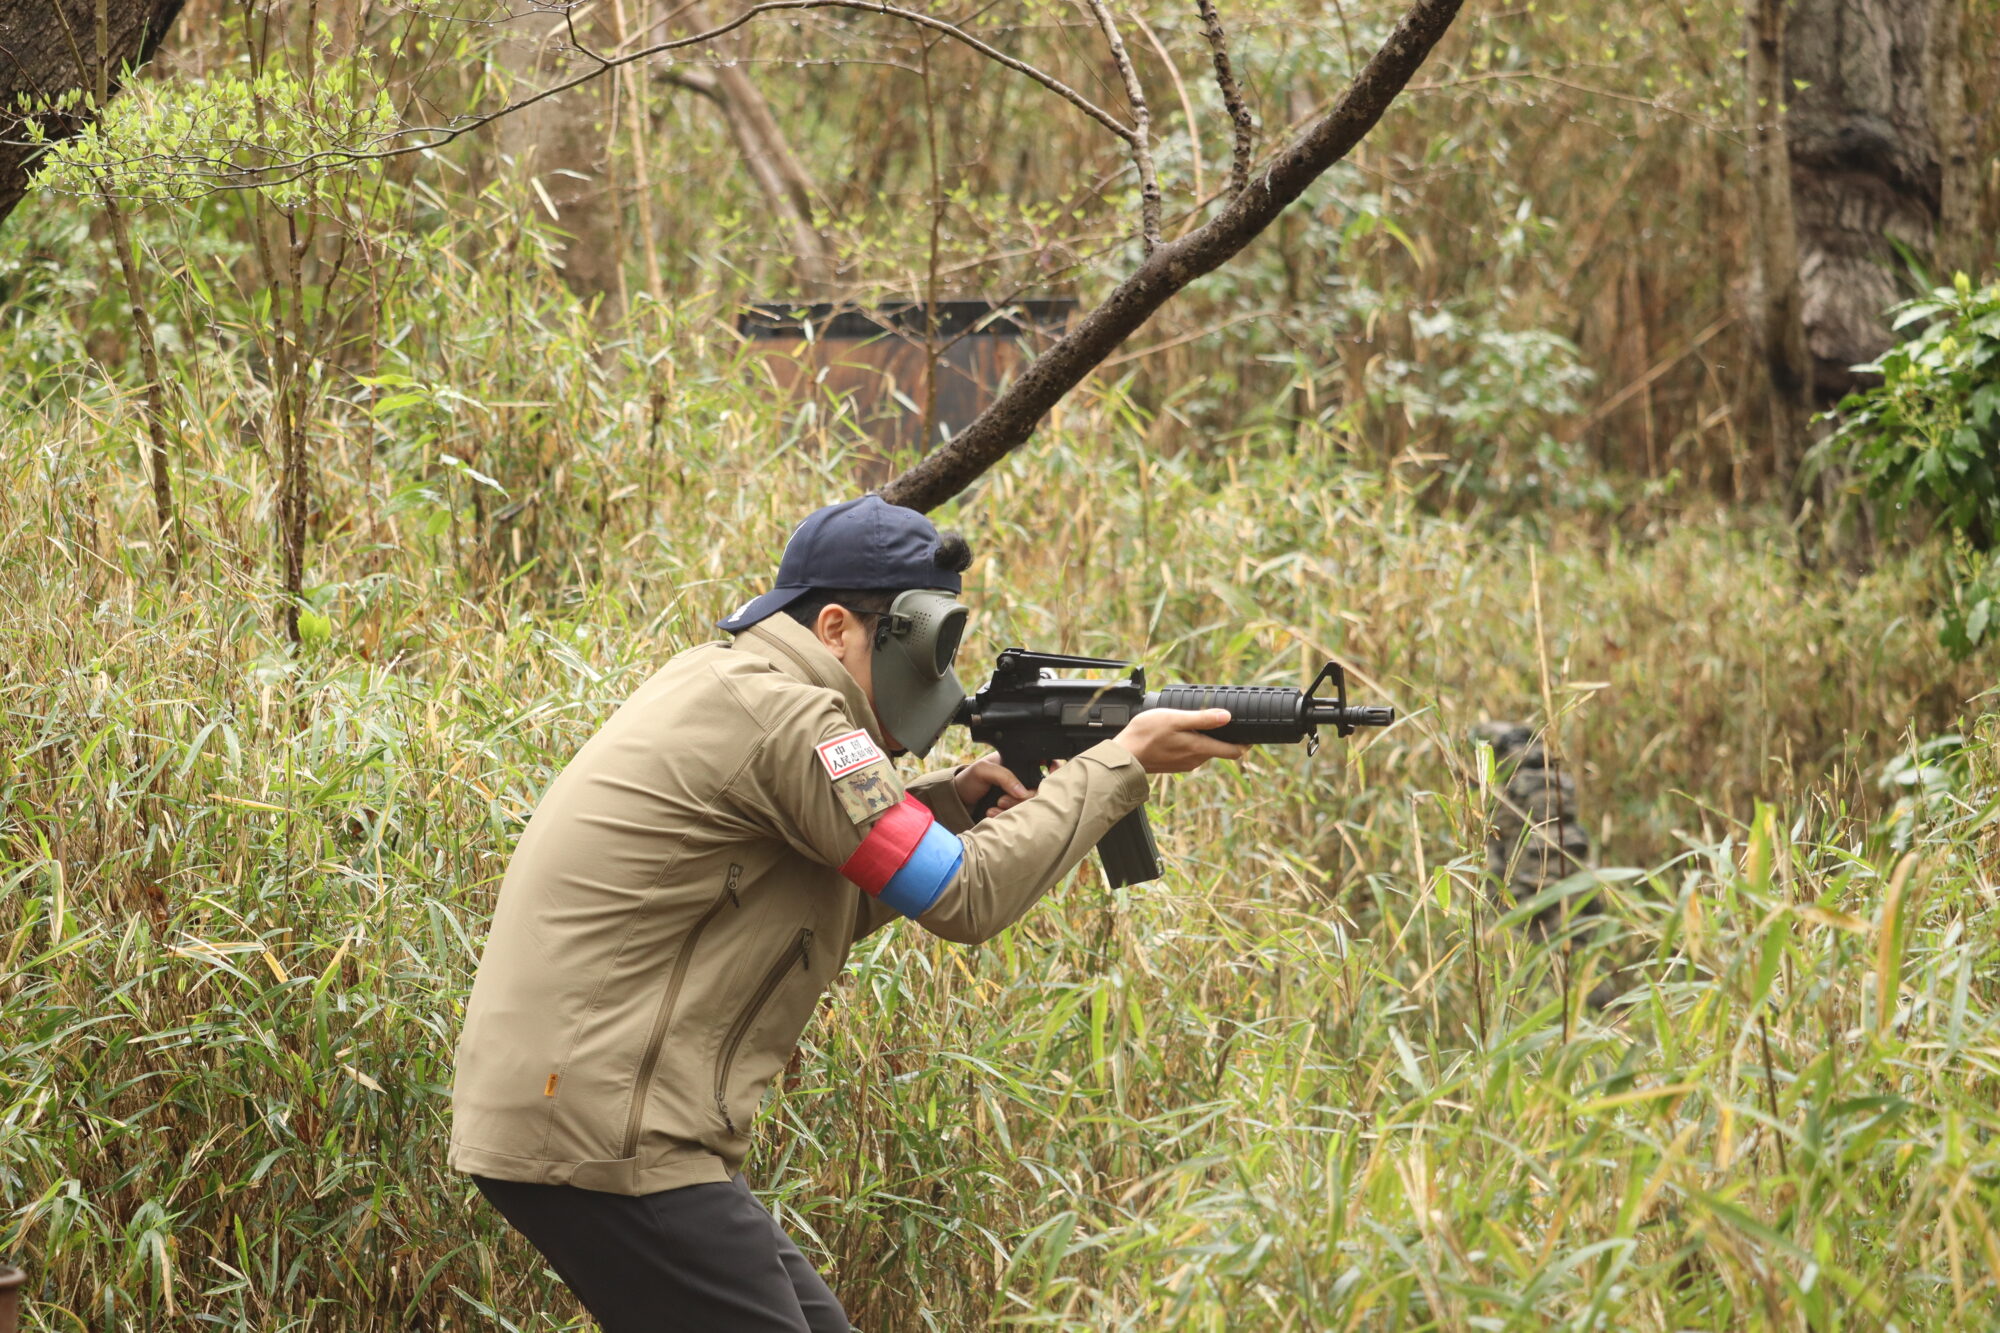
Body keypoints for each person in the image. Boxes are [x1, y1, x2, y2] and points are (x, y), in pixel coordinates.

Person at [449, 495, 1245, 1332]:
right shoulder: (790, 718)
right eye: (921, 647)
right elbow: (964, 894)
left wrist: (950, 803)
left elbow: (818, 887)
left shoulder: (733, 684)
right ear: (835, 627)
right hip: (608, 1130)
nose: (933, 678)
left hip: (597, 1113)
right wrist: (1120, 763)